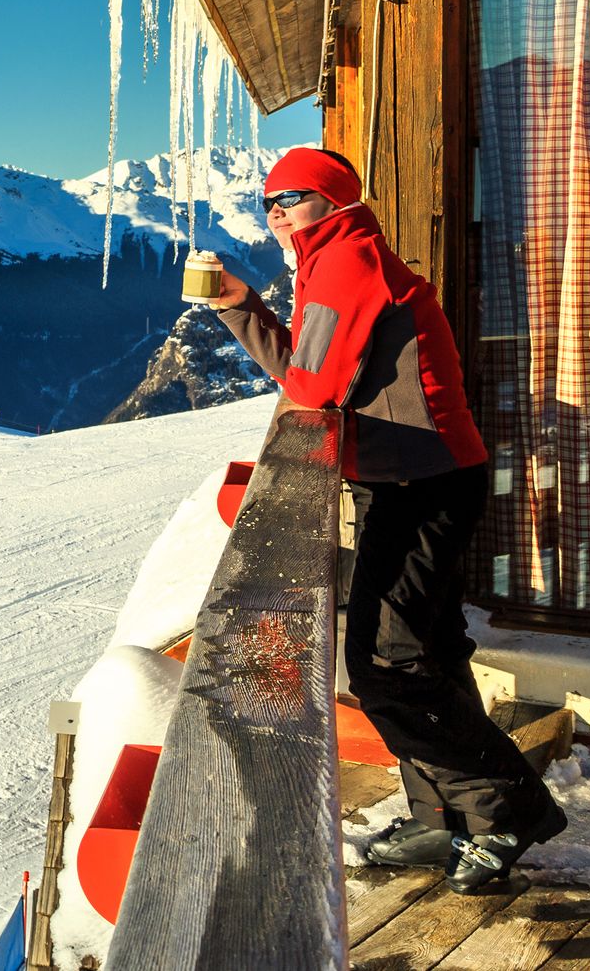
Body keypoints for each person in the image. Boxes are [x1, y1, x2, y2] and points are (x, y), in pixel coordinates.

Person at [208, 147, 564, 893]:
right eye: (267, 199)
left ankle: (510, 807)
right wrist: (242, 301)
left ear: (332, 199)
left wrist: (250, 310)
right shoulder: (328, 258)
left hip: (421, 481)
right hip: (411, 475)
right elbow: (314, 371)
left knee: (386, 664)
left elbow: (311, 382)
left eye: (293, 196)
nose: (276, 210)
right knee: (425, 651)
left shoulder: (344, 261)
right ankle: (443, 815)